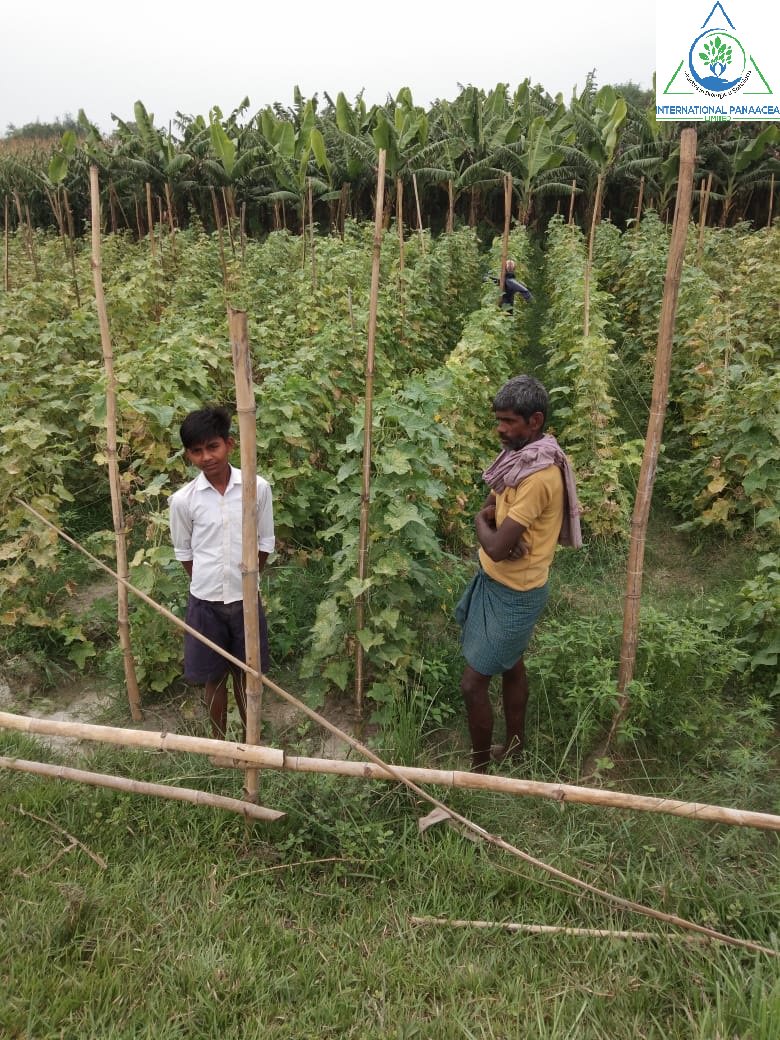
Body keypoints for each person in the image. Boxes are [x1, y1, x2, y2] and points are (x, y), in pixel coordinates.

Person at [455, 375, 581, 772]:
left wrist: (482, 522)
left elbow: (493, 541)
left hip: (516, 592)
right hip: (497, 581)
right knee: (512, 663)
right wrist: (492, 524)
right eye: (499, 420)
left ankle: (479, 771)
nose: (501, 429)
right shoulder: (521, 457)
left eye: (509, 421)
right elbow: (493, 503)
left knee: (472, 684)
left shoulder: (539, 477)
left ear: (536, 421)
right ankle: (514, 747)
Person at [168, 406, 275, 746]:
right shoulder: (184, 501)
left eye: (212, 447)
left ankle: (250, 741)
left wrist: (247, 577)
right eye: (196, 451)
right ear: (188, 455)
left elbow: (266, 542)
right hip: (206, 603)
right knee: (213, 679)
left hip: (245, 599)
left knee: (248, 677)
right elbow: (185, 553)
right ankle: (219, 743)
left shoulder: (256, 488)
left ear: (229, 444)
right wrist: (208, 582)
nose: (206, 457)